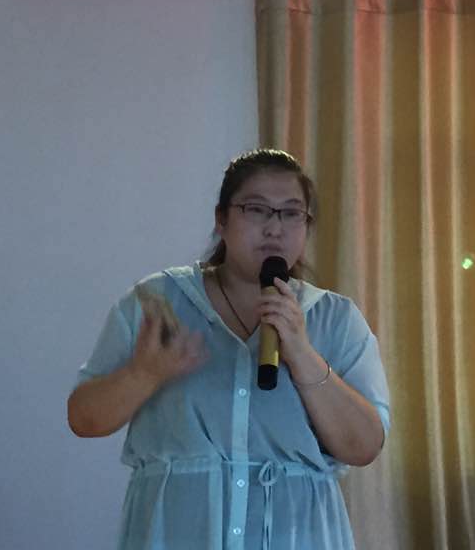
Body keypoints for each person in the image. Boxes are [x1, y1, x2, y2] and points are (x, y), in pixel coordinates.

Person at [68, 149, 390, 550]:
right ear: (221, 219)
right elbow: (84, 418)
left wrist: (302, 354)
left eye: (291, 213)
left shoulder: (335, 318)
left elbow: (364, 446)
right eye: (256, 210)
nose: (274, 228)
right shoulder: (159, 303)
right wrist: (144, 374)